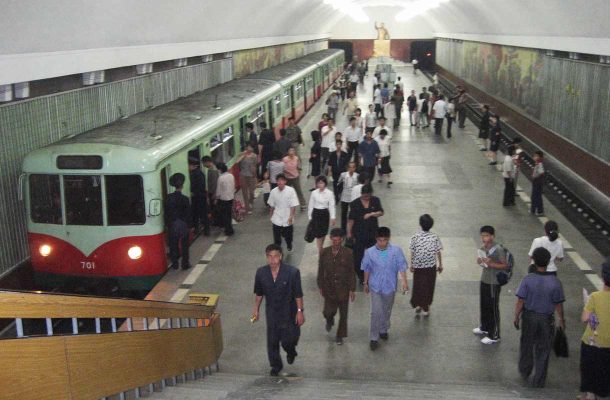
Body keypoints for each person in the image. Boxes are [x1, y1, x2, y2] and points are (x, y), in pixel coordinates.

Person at [513, 247, 565, 388]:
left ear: (534, 261)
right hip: (546, 319)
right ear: (548, 262)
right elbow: (558, 304)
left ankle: (525, 370)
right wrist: (561, 320)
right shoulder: (555, 282)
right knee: (543, 349)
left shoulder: (528, 279)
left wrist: (516, 316)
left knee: (527, 345)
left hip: (529, 317)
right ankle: (539, 379)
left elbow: (520, 301)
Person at [253, 244, 305, 377]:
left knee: (288, 340)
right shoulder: (261, 273)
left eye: (275, 256)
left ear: (280, 256)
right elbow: (259, 294)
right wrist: (256, 310)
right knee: (272, 341)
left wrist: (300, 311)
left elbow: (298, 294)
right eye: (269, 256)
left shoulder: (292, 273)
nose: (272, 259)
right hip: (272, 313)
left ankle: (291, 351)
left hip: (289, 312)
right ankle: (276, 365)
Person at [362, 227, 408, 350]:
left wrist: (404, 282)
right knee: (375, 311)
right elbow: (367, 268)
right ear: (376, 239)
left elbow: (402, 266)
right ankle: (373, 337)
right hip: (375, 286)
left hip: (390, 286)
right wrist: (365, 283)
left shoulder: (396, 251)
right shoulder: (370, 252)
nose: (382, 243)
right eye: (380, 240)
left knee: (386, 309)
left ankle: (383, 328)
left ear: (388, 239)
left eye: (385, 240)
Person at [317, 228, 356, 345]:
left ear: (342, 240)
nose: (335, 243)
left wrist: (352, 289)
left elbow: (351, 271)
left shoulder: (348, 253)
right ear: (330, 239)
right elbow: (321, 270)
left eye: (338, 241)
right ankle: (329, 320)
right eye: (333, 240)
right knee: (328, 311)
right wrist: (320, 284)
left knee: (344, 314)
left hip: (343, 288)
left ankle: (340, 335)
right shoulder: (324, 252)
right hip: (329, 288)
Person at [579, 260, 610, 400]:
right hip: (608, 344)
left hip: (592, 342)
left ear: (603, 278)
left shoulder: (595, 297)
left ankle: (589, 395)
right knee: (604, 370)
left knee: (589, 369)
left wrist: (588, 306)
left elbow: (584, 318)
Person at [474, 225, 509, 344]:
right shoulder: (483, 248)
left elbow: (505, 265)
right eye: (482, 235)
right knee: (484, 305)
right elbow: (483, 263)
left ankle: (495, 334)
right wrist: (480, 262)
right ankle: (484, 327)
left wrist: (491, 264)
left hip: (494, 282)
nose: (484, 238)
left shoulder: (498, 249)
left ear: (492, 236)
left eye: (486, 236)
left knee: (492, 307)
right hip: (485, 279)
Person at [348, 184, 383, 285]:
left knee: (374, 256)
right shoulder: (354, 204)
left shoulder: (375, 200)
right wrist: (349, 233)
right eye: (364, 196)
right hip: (358, 233)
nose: (366, 198)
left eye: (368, 196)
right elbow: (351, 220)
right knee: (358, 257)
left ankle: (372, 274)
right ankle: (361, 275)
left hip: (372, 233)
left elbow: (381, 212)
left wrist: (372, 214)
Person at [409, 214, 443, 316]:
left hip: (418, 267)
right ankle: (426, 307)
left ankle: (418, 304)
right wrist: (440, 264)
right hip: (430, 267)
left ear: (420, 224)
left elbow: (413, 252)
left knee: (418, 285)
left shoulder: (415, 237)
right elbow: (438, 252)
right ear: (431, 225)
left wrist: (411, 264)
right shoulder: (435, 237)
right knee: (428, 286)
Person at [165, 172, 192, 270]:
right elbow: (188, 213)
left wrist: (167, 224)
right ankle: (185, 264)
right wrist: (190, 225)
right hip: (183, 224)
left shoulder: (168, 198)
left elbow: (166, 213)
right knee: (185, 245)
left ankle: (175, 264)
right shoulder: (185, 199)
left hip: (172, 224)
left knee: (173, 245)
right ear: (182, 186)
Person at [267, 174, 299, 252]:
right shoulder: (273, 191)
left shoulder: (290, 190)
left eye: (282, 180)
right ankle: (278, 249)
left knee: (288, 235)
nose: (280, 182)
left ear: (285, 181)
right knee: (276, 235)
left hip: (287, 216)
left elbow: (293, 205)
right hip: (277, 216)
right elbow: (272, 205)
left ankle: (289, 244)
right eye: (278, 180)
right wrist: (271, 215)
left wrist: (291, 216)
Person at [308, 176, 336, 254]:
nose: (320, 185)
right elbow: (311, 205)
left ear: (325, 183)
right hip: (316, 213)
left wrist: (333, 217)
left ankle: (321, 246)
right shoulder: (314, 193)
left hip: (324, 214)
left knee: (323, 232)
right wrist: (310, 216)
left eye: (322, 183)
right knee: (318, 234)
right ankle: (320, 249)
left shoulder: (330, 193)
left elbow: (331, 205)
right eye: (319, 183)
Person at [188, 157, 210, 236]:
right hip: (201, 197)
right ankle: (206, 230)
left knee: (196, 214)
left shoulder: (195, 174)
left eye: (189, 165)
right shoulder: (200, 173)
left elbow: (197, 187)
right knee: (203, 215)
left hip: (198, 197)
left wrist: (193, 193)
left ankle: (199, 230)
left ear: (193, 166)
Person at [214, 163, 235, 236]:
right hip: (230, 197)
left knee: (225, 215)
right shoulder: (231, 175)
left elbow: (219, 190)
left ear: (220, 169)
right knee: (229, 214)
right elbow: (233, 186)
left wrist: (216, 198)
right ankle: (230, 229)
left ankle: (228, 230)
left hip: (223, 199)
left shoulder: (221, 178)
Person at [237, 145, 258, 214]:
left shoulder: (254, 156)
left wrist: (255, 176)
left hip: (251, 175)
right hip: (243, 175)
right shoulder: (241, 154)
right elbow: (237, 162)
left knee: (251, 192)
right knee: (245, 192)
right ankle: (247, 208)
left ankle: (251, 202)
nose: (250, 148)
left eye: (251, 147)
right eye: (249, 147)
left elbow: (255, 166)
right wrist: (243, 155)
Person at [338, 162, 359, 231]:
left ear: (355, 168)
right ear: (347, 168)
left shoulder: (357, 176)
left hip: (354, 197)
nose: (351, 169)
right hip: (344, 196)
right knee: (344, 213)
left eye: (353, 167)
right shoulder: (343, 175)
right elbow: (339, 182)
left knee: (353, 213)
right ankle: (343, 229)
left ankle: (353, 228)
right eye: (350, 167)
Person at [202, 156, 219, 227]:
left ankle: (216, 222)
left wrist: (214, 194)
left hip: (213, 193)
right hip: (211, 192)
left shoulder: (213, 170)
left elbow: (215, 183)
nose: (203, 165)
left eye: (203, 163)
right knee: (213, 208)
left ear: (207, 162)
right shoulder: (211, 169)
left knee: (214, 208)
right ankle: (215, 221)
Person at [531, 150, 545, 216]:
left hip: (538, 182)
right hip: (536, 181)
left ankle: (539, 211)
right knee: (534, 196)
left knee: (537, 196)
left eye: (536, 156)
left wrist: (535, 176)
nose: (534, 157)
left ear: (540, 157)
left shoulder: (540, 164)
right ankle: (533, 209)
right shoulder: (537, 163)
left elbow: (541, 172)